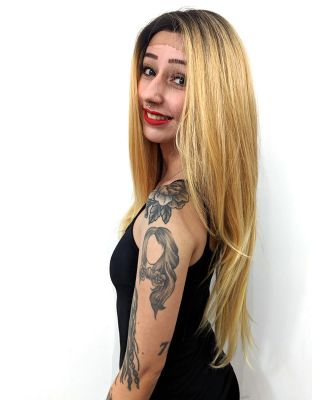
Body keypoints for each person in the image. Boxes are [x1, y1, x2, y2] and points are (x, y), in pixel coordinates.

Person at [108, 8, 258, 400]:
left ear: (213, 96)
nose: (151, 92)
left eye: (179, 79)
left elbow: (140, 376)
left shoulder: (170, 211)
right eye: (148, 70)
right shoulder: (201, 190)